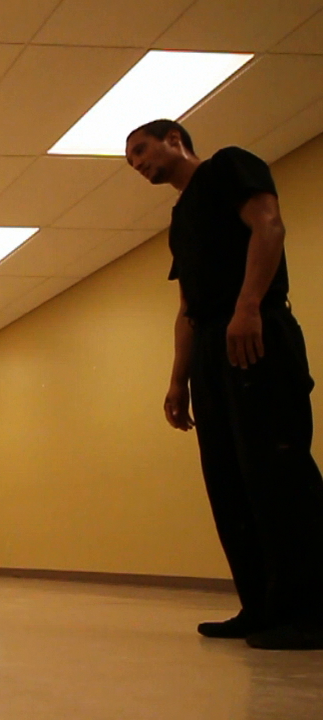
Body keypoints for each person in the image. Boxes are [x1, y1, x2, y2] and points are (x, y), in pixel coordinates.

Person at [126, 119, 323, 650]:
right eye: (131, 161)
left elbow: (269, 226)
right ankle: (261, 607)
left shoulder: (229, 166)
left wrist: (248, 306)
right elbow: (187, 306)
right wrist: (178, 380)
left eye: (141, 150)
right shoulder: (180, 218)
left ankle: (312, 612)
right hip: (212, 346)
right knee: (229, 479)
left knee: (277, 472)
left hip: (256, 330)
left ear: (174, 139)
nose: (138, 164)